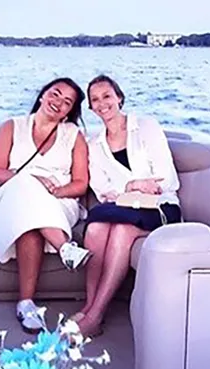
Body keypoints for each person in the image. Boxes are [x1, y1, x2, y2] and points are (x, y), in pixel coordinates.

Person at [76, 75, 181, 337]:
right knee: (96, 229)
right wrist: (134, 185)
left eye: (107, 96)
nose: (102, 104)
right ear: (90, 108)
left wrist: (133, 187)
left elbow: (165, 179)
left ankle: (95, 316)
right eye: (95, 100)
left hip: (160, 206)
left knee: (122, 231)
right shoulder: (94, 145)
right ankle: (89, 306)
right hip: (123, 207)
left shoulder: (146, 127)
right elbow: (102, 190)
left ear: (119, 97)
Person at [0, 78, 92, 332]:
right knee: (26, 191)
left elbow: (80, 183)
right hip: (12, 195)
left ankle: (26, 304)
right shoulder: (12, 127)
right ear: (43, 94)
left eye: (67, 102)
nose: (58, 103)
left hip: (58, 200)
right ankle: (65, 248)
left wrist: (57, 189)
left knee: (30, 223)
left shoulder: (74, 136)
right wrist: (33, 180)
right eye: (55, 94)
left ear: (70, 111)